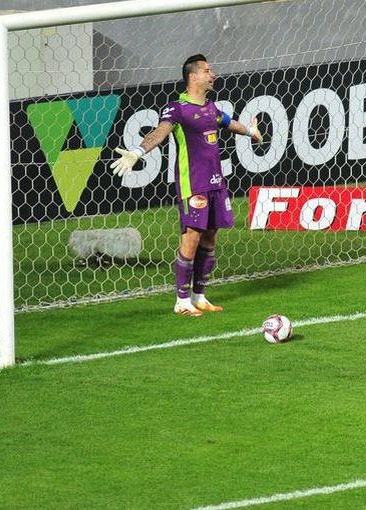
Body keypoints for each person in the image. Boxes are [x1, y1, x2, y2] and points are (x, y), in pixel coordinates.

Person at [109, 54, 263, 316]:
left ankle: (199, 296)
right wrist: (138, 151)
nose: (212, 74)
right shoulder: (177, 108)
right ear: (193, 76)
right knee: (191, 238)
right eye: (207, 70)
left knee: (211, 237)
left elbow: (229, 123)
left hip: (216, 183)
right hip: (193, 185)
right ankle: (181, 301)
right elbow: (160, 132)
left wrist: (250, 131)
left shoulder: (211, 108)